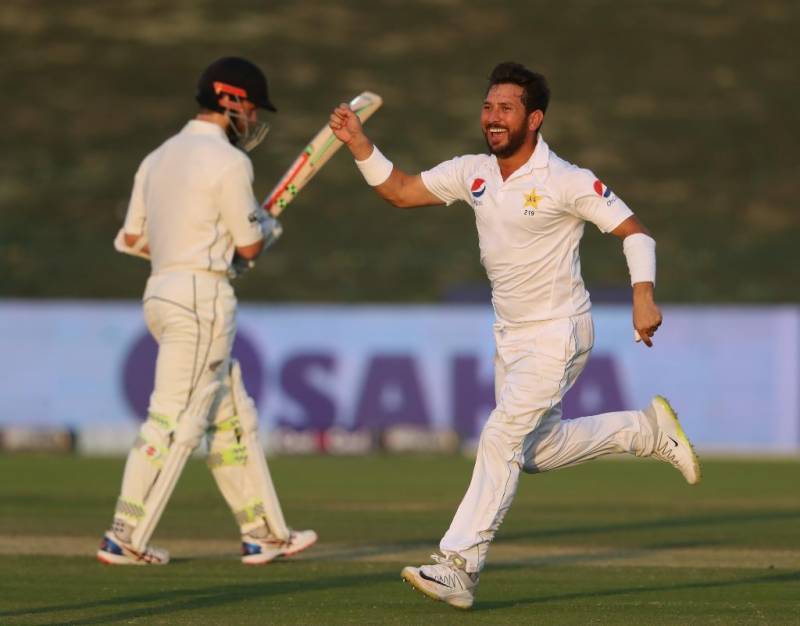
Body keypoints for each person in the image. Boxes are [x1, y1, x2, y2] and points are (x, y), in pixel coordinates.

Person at [329, 61, 700, 609]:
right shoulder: (473, 171)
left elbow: (634, 231)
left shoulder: (566, 180)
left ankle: (458, 565)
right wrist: (361, 145)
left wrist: (643, 294)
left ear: (535, 119)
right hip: (511, 335)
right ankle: (642, 431)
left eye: (506, 109)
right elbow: (402, 192)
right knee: (535, 451)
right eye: (488, 107)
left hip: (560, 332)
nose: (492, 118)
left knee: (500, 436)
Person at [99, 56, 316, 566]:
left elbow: (132, 239)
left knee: (232, 415)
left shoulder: (157, 157)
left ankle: (263, 531)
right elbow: (248, 247)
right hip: (201, 300)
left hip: (162, 291)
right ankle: (125, 532)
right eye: (251, 108)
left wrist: (196, 250)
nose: (253, 120)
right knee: (175, 419)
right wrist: (264, 230)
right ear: (230, 100)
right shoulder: (228, 162)